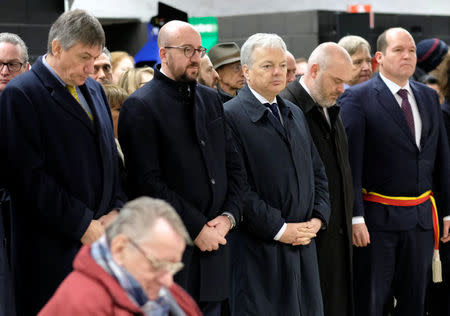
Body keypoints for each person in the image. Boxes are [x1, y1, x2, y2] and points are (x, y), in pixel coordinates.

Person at [0, 10, 126, 315]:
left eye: (95, 58)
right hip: (51, 252)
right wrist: (83, 224)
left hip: (100, 243)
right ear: (56, 48)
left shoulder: (94, 88)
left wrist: (116, 209)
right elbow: (27, 179)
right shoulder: (22, 93)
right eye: (84, 56)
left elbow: (110, 156)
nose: (91, 67)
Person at [118, 20, 243, 316]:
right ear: (163, 53)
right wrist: (197, 227)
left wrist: (228, 217)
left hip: (218, 245)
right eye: (187, 50)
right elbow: (146, 183)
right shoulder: (141, 105)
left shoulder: (211, 99)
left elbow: (234, 166)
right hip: (173, 253)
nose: (196, 58)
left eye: (198, 50)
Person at [339, 27, 450, 316]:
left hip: (421, 220)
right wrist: (355, 216)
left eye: (412, 50)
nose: (407, 56)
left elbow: (441, 158)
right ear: (379, 57)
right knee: (373, 302)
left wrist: (447, 212)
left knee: (415, 301)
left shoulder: (427, 96)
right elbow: (351, 163)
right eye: (399, 50)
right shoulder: (359, 98)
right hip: (378, 222)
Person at [224, 33, 330, 316]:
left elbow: (318, 171)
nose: (278, 72)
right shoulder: (230, 116)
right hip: (260, 251)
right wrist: (281, 229)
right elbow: (239, 189)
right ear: (245, 71)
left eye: (282, 65)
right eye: (267, 65)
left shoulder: (293, 112)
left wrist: (318, 219)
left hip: (304, 245)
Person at [280, 42, 354, 316]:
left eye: (345, 82)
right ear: (313, 70)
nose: (342, 89)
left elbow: (342, 171)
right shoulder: (287, 107)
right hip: (307, 237)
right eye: (337, 81)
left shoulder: (330, 108)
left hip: (335, 235)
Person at [39, 197, 202, 316]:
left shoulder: (162, 290)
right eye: (157, 264)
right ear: (119, 248)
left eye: (172, 267)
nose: (168, 281)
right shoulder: (81, 303)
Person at [0, 30, 30, 316]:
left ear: (26, 67)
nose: (4, 71)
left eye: (12, 64)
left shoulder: (40, 111)